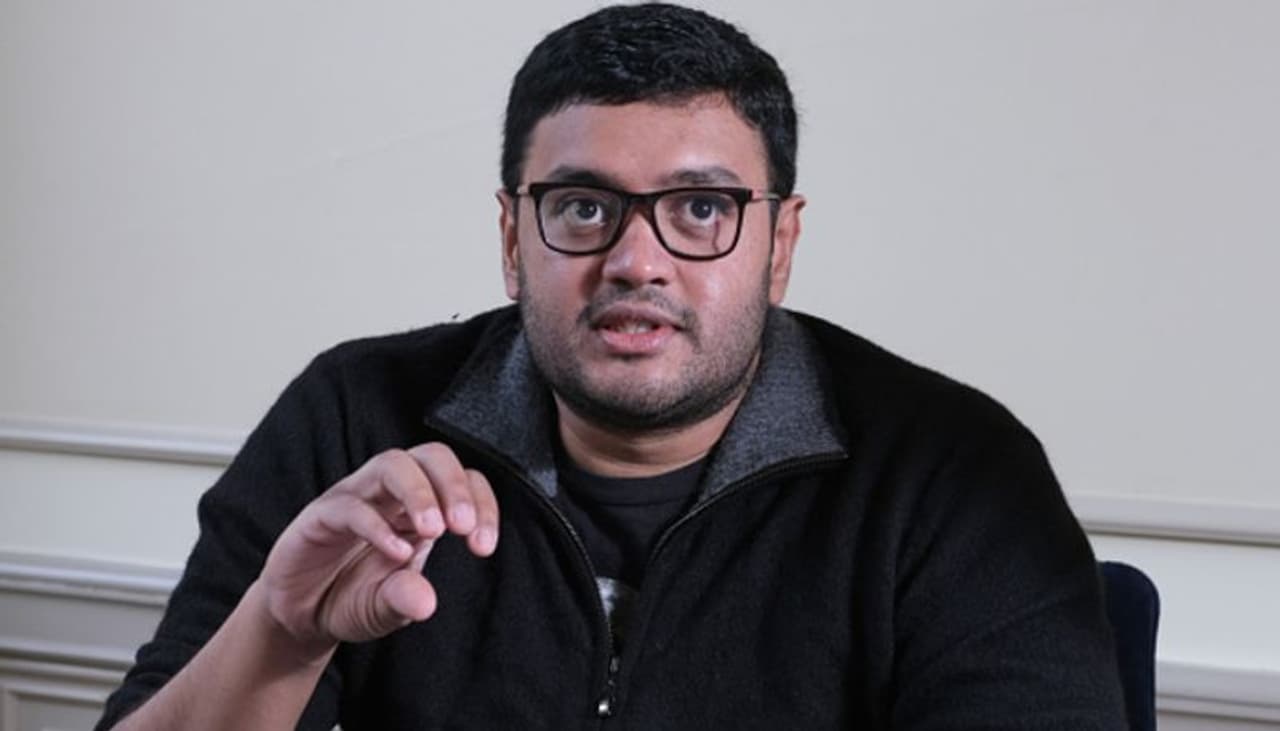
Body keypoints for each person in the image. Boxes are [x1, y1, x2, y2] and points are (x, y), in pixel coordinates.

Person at [98, 4, 1127, 729]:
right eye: (583, 206)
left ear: (779, 244)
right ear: (512, 237)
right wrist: (280, 636)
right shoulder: (354, 419)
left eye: (701, 208)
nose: (636, 261)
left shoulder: (954, 472)